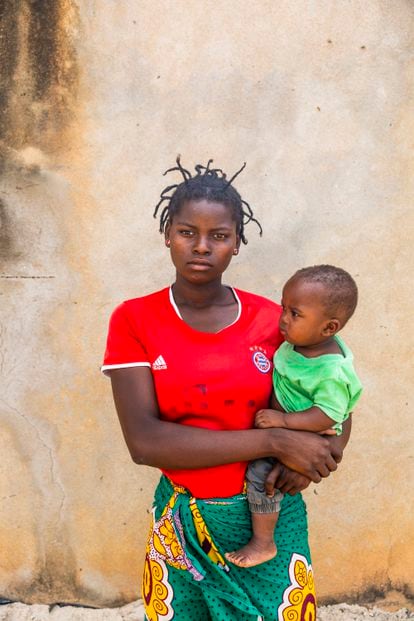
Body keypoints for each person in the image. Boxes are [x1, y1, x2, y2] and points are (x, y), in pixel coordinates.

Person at [101, 157, 351, 621]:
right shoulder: (134, 320)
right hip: (184, 522)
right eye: (186, 232)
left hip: (271, 520)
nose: (201, 247)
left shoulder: (275, 320)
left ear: (237, 243)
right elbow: (144, 441)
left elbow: (337, 390)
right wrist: (277, 440)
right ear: (167, 236)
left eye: (218, 235)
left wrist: (322, 453)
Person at [226, 265, 362, 569]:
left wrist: (283, 423)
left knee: (262, 477)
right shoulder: (301, 342)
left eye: (295, 313)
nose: (283, 319)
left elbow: (330, 414)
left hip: (307, 432)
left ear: (329, 328)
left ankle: (263, 543)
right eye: (283, 307)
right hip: (285, 426)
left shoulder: (330, 370)